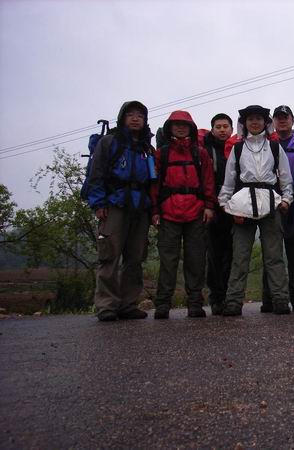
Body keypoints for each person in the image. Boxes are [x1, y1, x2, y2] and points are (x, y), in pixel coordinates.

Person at [218, 105, 294, 316]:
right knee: (240, 256)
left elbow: (285, 177)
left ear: (265, 122)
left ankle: (280, 300)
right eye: (250, 119)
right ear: (245, 123)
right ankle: (233, 302)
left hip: (271, 203)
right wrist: (225, 205)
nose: (254, 122)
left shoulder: (275, 148)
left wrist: (286, 200)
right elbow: (229, 180)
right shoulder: (238, 149)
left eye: (259, 119)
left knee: (274, 256)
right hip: (243, 205)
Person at [86, 101, 154, 321]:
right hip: (114, 204)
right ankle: (106, 306)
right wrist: (98, 204)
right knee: (109, 256)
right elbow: (96, 174)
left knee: (135, 258)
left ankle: (128, 304)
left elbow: (153, 181)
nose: (135, 119)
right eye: (131, 115)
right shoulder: (109, 142)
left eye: (140, 116)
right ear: (122, 118)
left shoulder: (146, 147)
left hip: (140, 206)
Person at [150, 111, 216, 319]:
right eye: (176, 124)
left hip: (196, 212)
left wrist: (209, 206)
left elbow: (208, 181)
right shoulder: (162, 154)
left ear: (191, 128)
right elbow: (154, 185)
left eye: (184, 124)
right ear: (169, 127)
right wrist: (155, 210)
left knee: (196, 259)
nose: (180, 127)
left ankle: (195, 303)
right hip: (168, 213)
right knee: (168, 261)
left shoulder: (200, 153)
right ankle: (163, 304)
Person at [260, 105, 294, 313]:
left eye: (285, 117)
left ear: (292, 120)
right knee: (271, 253)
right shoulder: (265, 145)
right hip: (270, 203)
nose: (282, 121)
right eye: (278, 118)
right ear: (273, 122)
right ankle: (269, 299)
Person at [201, 113, 235, 315]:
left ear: (232, 129)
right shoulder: (206, 150)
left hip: (234, 207)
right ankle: (216, 298)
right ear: (212, 129)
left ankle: (229, 296)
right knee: (214, 254)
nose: (222, 130)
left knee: (232, 253)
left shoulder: (238, 147)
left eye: (225, 126)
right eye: (218, 127)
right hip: (213, 208)